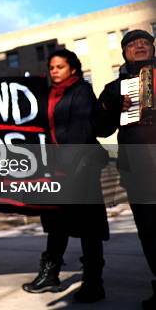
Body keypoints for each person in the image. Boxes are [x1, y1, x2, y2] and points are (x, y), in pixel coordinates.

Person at [21, 49, 109, 303]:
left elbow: (80, 132)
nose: (54, 71)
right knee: (56, 225)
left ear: (73, 69)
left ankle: (94, 283)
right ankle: (50, 276)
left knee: (89, 228)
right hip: (55, 171)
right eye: (51, 67)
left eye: (60, 66)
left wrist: (66, 166)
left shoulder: (81, 91)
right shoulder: (47, 94)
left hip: (81, 170)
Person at [95, 29, 156, 309]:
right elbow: (100, 128)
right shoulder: (113, 88)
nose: (140, 45)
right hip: (138, 169)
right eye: (133, 43)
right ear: (125, 52)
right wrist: (110, 108)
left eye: (146, 42)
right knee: (150, 229)